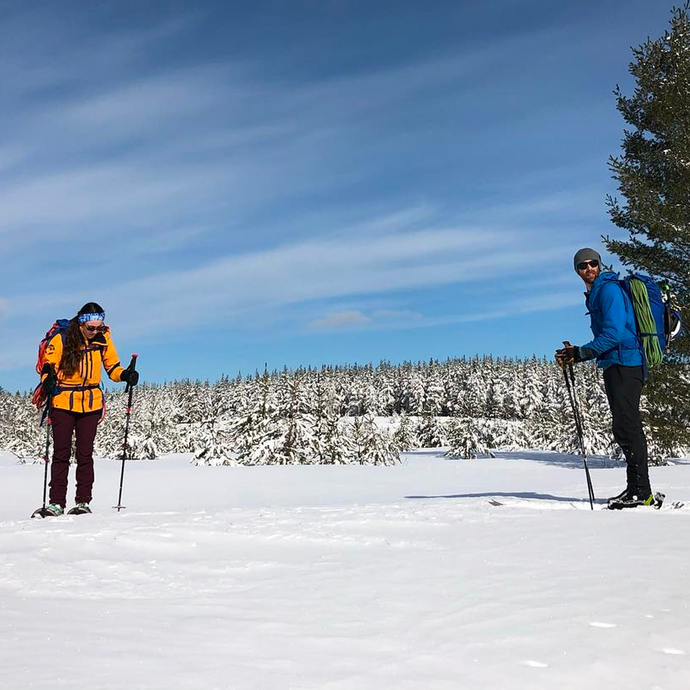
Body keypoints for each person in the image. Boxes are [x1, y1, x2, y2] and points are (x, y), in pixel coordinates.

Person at [555, 248, 655, 508]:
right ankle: (635, 488)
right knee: (624, 426)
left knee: (628, 426)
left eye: (592, 263)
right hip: (617, 363)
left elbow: (614, 333)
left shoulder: (608, 290)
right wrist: (578, 353)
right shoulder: (596, 292)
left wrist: (581, 353)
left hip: (626, 363)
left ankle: (642, 491)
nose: (588, 268)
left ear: (599, 264)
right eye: (582, 266)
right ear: (577, 271)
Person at [39, 302, 139, 516]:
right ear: (82, 324)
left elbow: (112, 367)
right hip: (63, 401)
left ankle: (83, 502)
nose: (95, 331)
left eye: (99, 327)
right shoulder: (62, 338)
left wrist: (125, 375)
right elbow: (49, 363)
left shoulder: (104, 339)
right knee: (61, 453)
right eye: (91, 328)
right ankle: (56, 503)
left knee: (85, 454)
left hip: (91, 404)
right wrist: (47, 379)